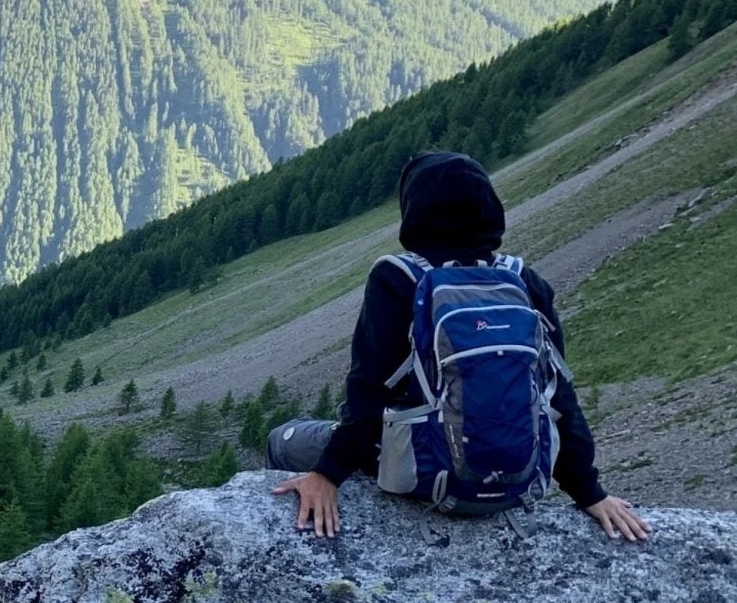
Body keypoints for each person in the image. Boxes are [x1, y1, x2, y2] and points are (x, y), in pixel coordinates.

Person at [269, 152, 650, 542]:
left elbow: (368, 388)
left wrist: (327, 474)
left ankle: (289, 537)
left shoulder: (399, 278)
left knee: (283, 440)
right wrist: (590, 492)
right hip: (512, 482)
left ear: (414, 208)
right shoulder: (524, 281)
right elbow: (557, 394)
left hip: (417, 473)